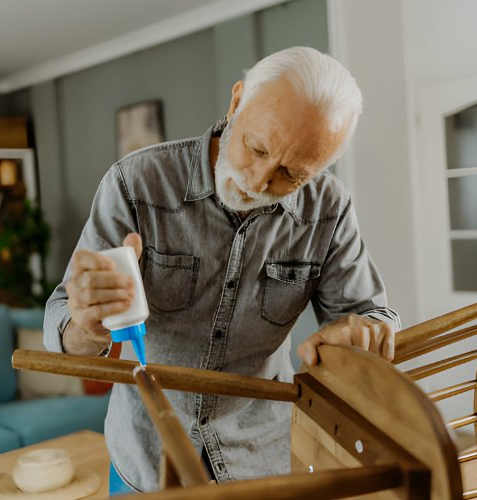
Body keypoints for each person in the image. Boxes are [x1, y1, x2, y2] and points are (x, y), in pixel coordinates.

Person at [43, 46, 400, 493]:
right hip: (146, 458)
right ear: (236, 103)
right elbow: (65, 334)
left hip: (261, 460)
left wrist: (363, 333)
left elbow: (369, 315)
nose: (259, 181)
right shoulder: (135, 184)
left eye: (292, 174)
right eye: (256, 147)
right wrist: (88, 327)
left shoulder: (329, 208)